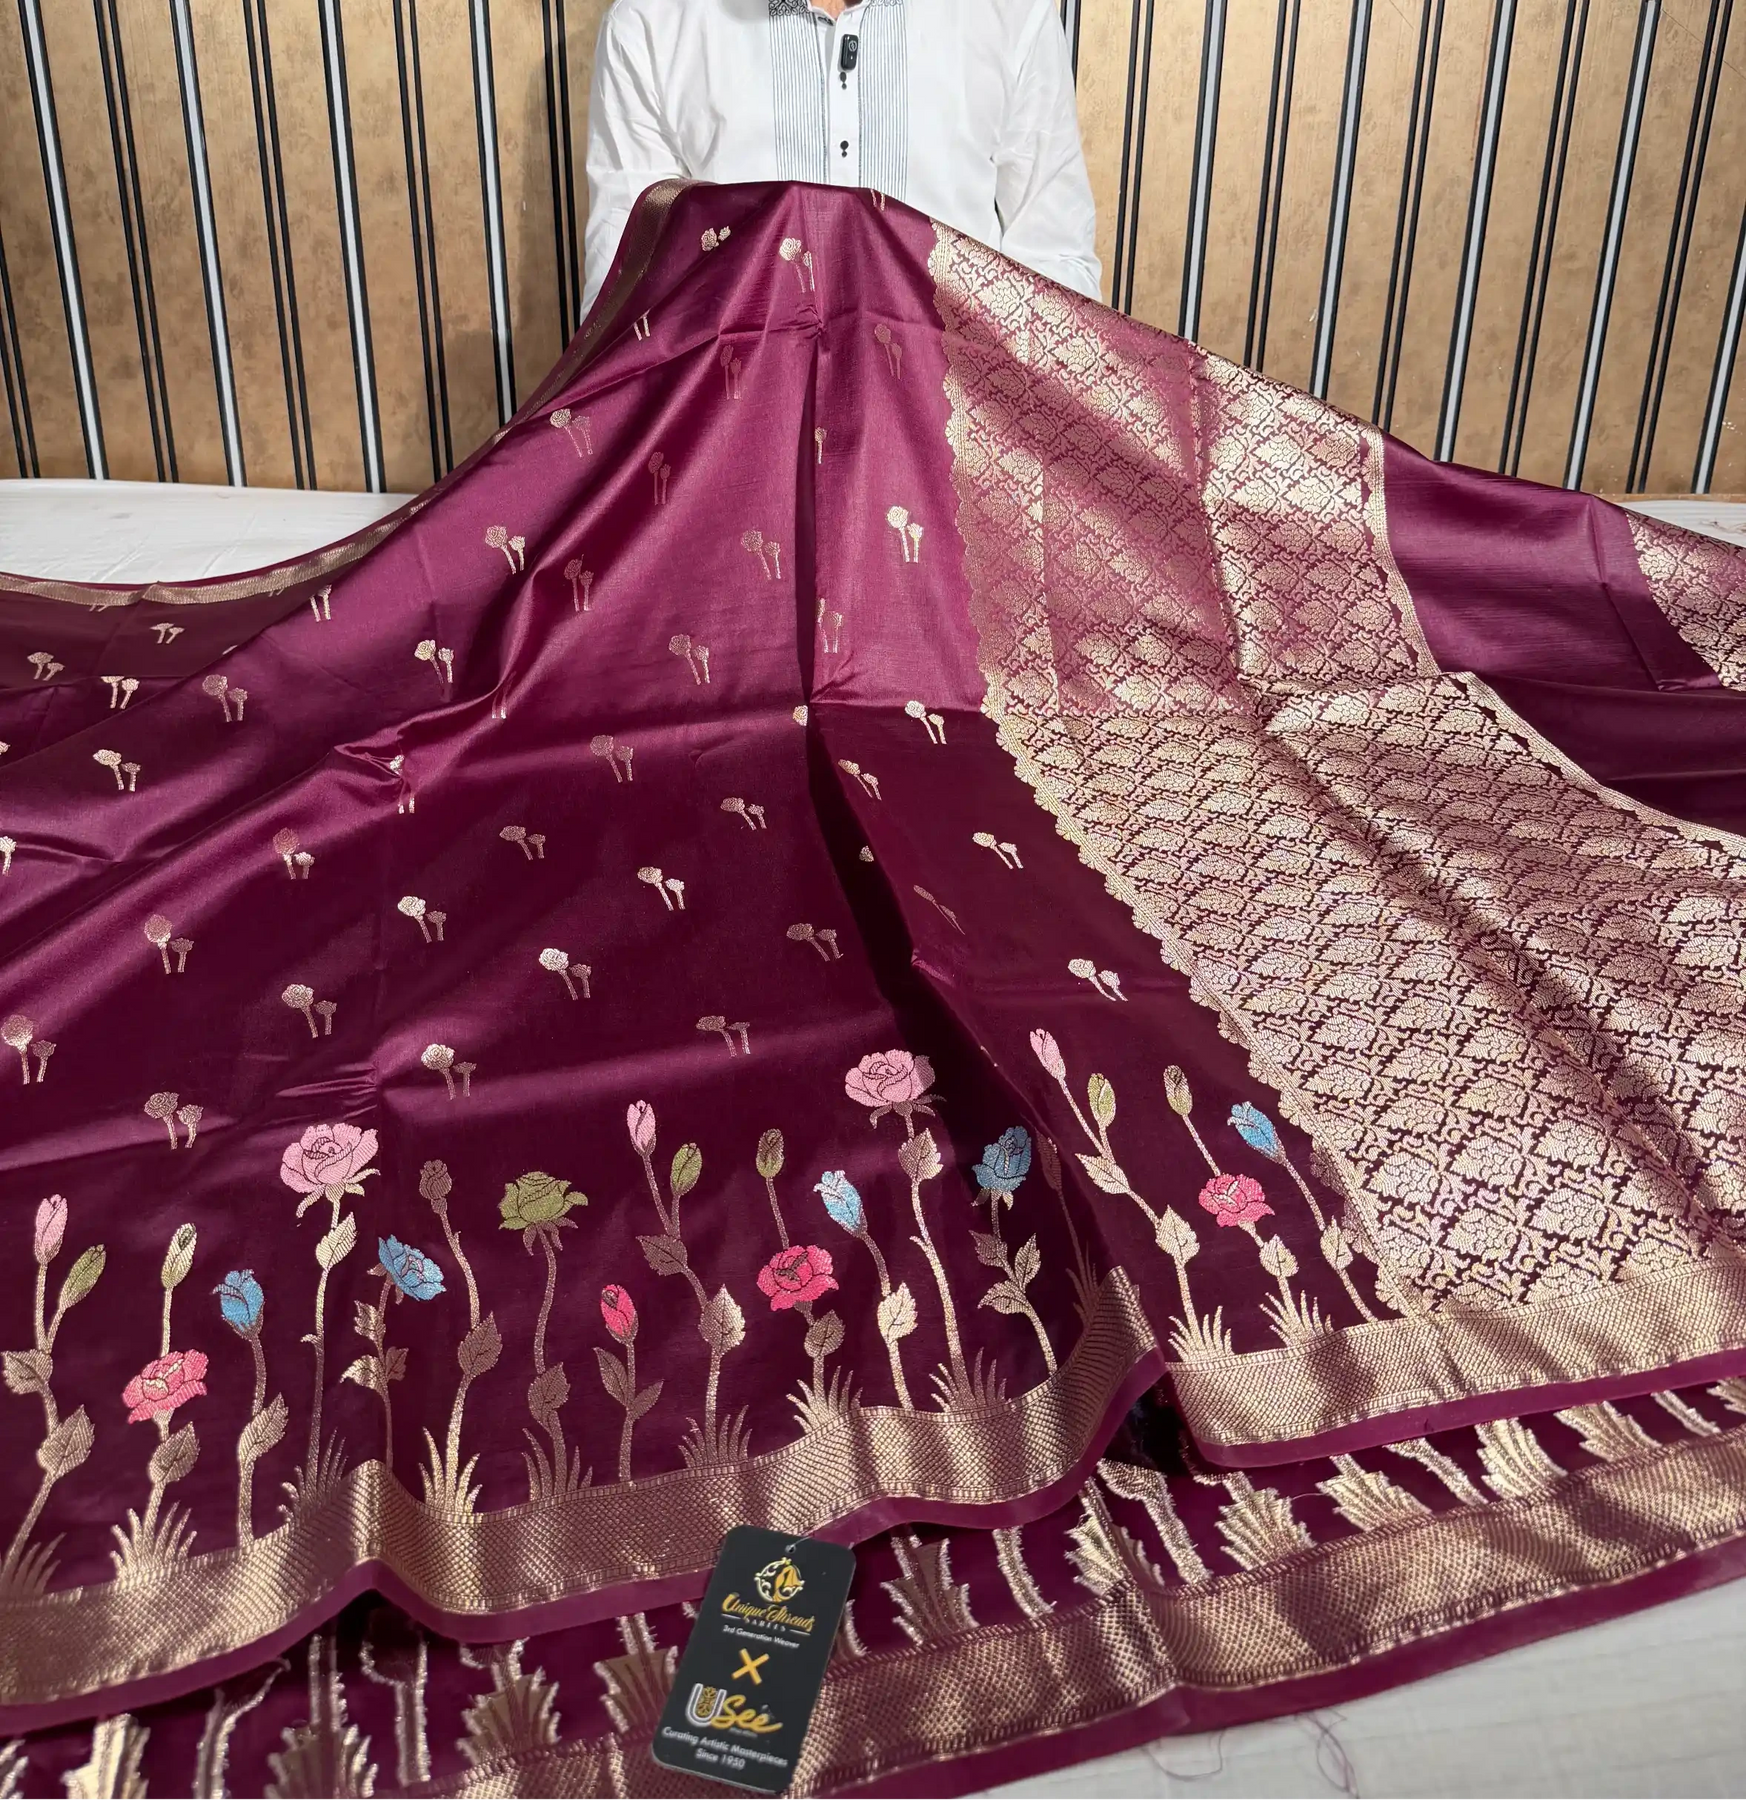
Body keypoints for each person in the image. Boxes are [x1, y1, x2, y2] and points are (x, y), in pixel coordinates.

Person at [583, 0, 1099, 310]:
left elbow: (1054, 265)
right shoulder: (651, 24)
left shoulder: (1010, 14)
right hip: (740, 428)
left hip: (953, 428)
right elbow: (621, 301)